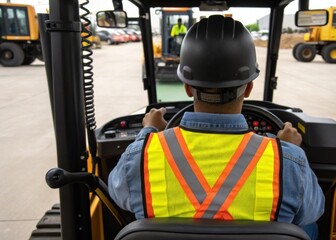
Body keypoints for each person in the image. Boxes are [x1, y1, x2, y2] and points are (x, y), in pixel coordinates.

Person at [108, 15, 324, 239]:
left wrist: (149, 133)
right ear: (249, 88)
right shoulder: (287, 161)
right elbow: (313, 210)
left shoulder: (141, 155)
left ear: (187, 88)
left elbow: (118, 195)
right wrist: (287, 150)